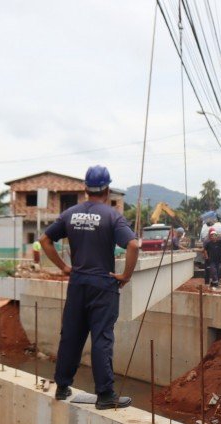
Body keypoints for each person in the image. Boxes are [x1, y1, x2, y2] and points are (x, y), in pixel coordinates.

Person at [40, 165, 140, 410]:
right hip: (103, 286)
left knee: (71, 335)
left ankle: (62, 387)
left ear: (85, 189)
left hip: (78, 284)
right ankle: (105, 395)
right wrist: (125, 275)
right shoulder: (112, 216)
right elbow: (134, 246)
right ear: (106, 189)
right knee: (102, 338)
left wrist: (64, 267)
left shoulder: (69, 214)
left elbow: (44, 240)